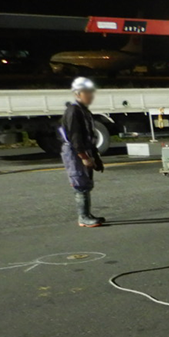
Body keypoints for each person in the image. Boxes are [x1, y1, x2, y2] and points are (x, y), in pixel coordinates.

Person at [60, 77, 106, 227]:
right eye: (87, 92)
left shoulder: (84, 111)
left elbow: (89, 136)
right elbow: (75, 137)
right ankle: (83, 217)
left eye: (91, 92)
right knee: (80, 182)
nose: (91, 95)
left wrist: (96, 158)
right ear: (77, 94)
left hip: (84, 148)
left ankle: (87, 214)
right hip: (74, 150)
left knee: (86, 182)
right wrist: (84, 157)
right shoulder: (73, 111)